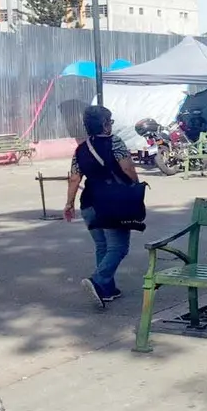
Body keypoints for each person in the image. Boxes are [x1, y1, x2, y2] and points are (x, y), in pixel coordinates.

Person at [64, 105, 139, 308]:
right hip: (113, 204)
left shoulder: (80, 149)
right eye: (110, 121)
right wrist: (134, 187)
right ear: (105, 124)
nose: (111, 125)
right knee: (119, 248)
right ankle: (97, 281)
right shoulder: (115, 142)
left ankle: (107, 289)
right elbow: (128, 169)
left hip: (89, 203)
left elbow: (74, 178)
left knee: (103, 246)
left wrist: (69, 203)